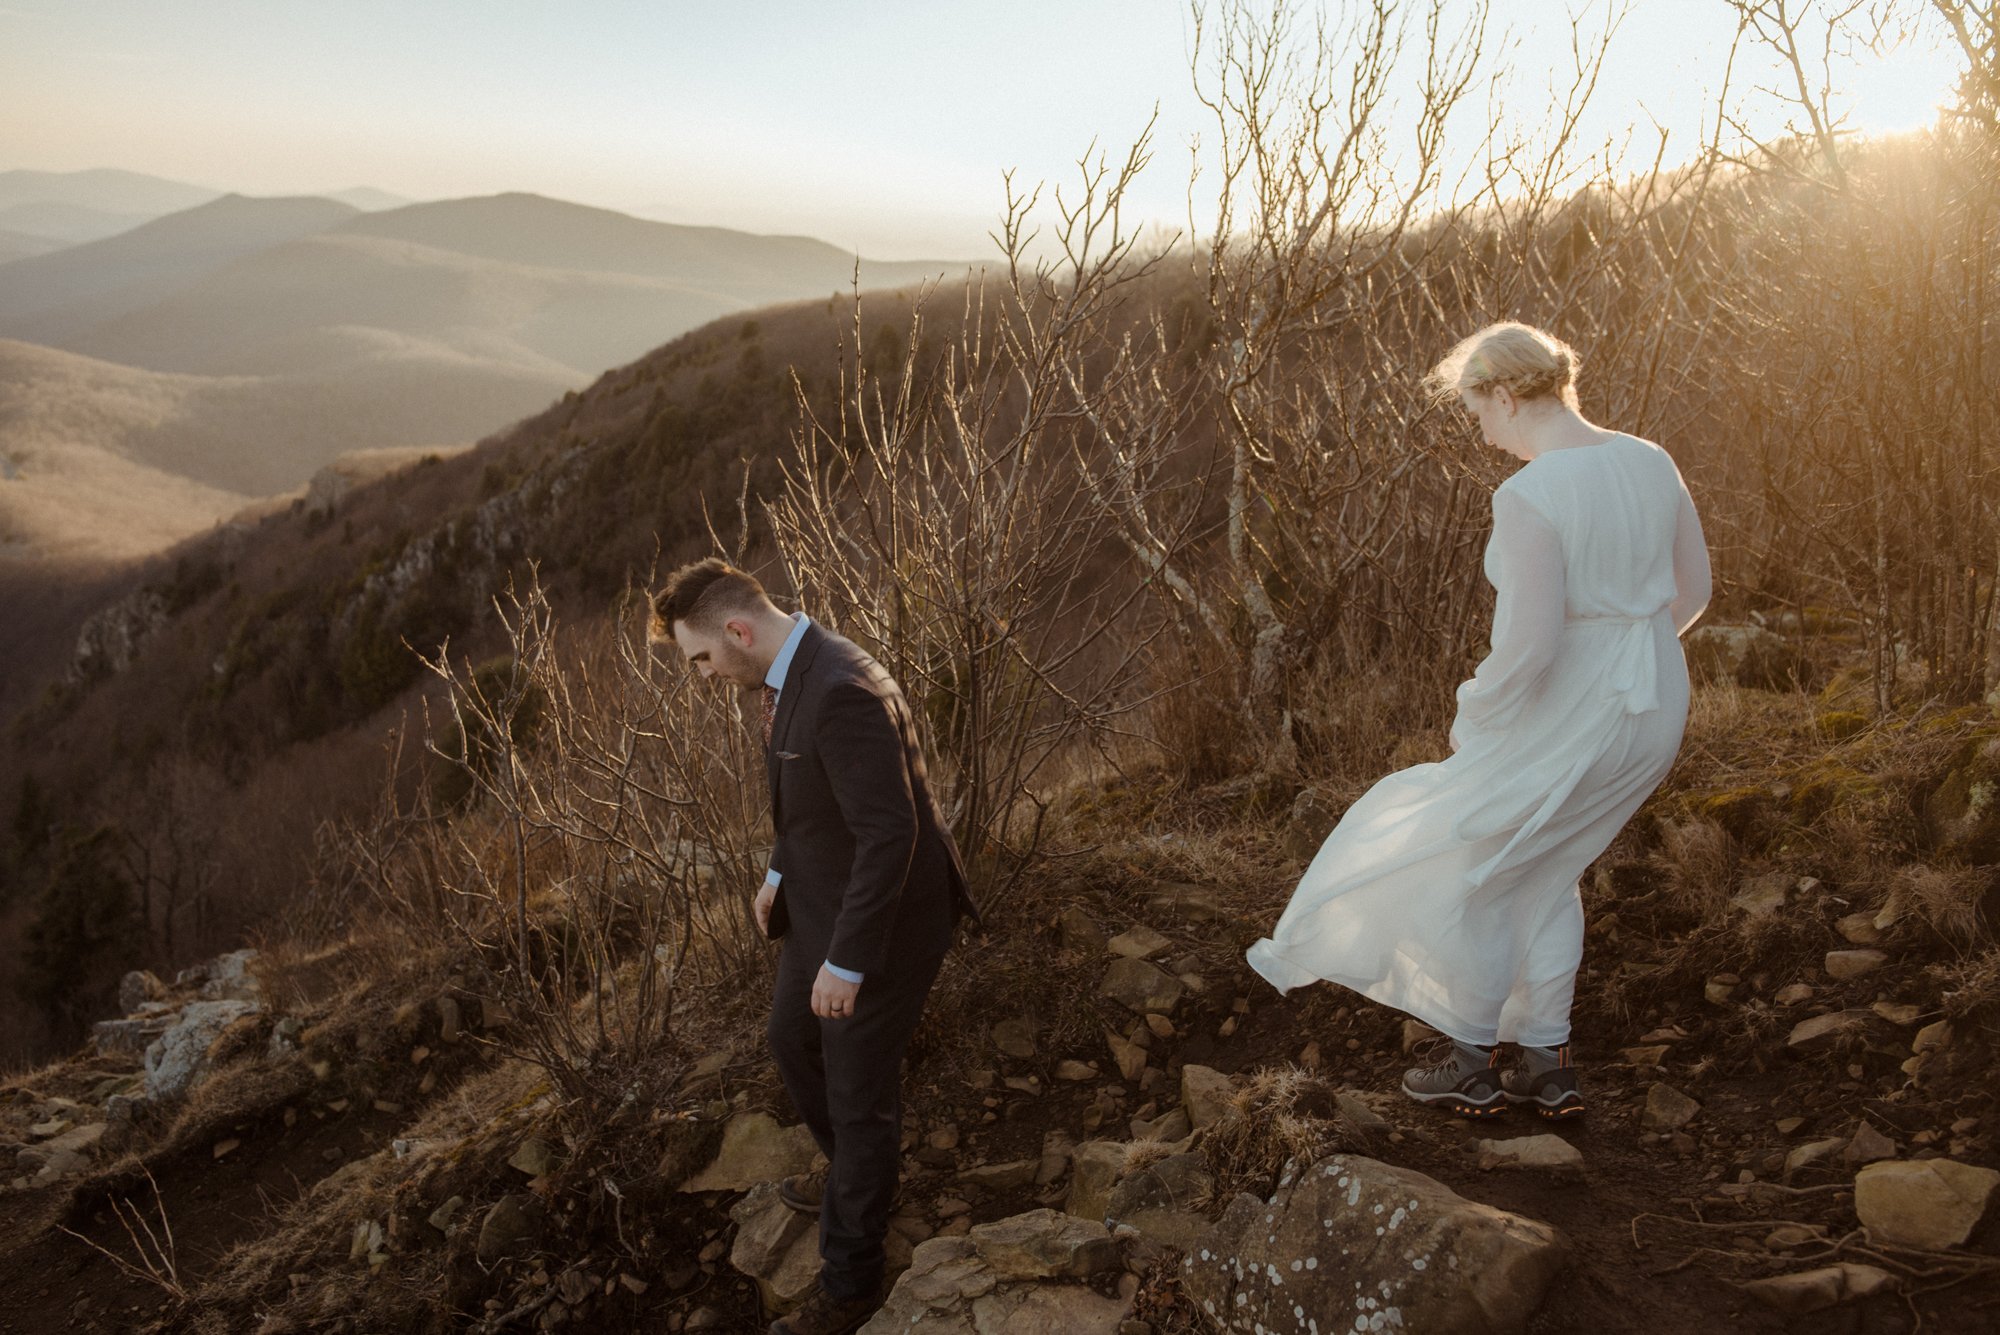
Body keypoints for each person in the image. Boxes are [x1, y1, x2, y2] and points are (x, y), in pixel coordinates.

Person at [1245, 322, 1711, 1119]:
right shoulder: (1650, 459)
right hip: (1656, 700)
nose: (1483, 431)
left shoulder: (1530, 492)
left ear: (1505, 394)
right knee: (1545, 867)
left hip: (1578, 707)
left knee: (1476, 861)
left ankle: (1469, 1060)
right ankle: (1548, 1064)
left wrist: (1474, 715)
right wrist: (1630, 660)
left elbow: (1528, 646)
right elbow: (1693, 592)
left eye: (1479, 411)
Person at [652, 559, 977, 1335]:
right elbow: (813, 806)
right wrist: (777, 873)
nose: (701, 675)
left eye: (700, 657)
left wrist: (849, 960)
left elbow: (890, 831)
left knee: (857, 1091)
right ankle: (854, 1181)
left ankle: (850, 1282)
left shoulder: (837, 689)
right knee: (790, 1038)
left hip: (888, 918)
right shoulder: (786, 673)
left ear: (737, 630)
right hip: (821, 900)